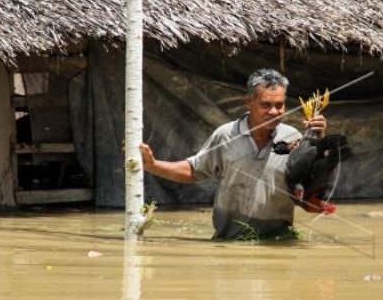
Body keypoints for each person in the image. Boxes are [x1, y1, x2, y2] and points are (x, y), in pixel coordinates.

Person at [140, 68, 327, 239]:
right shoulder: (225, 136)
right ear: (248, 101)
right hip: (229, 241)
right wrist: (152, 165)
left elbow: (312, 195)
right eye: (266, 105)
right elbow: (194, 170)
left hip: (279, 242)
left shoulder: (293, 138)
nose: (274, 112)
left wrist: (320, 143)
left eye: (279, 105)